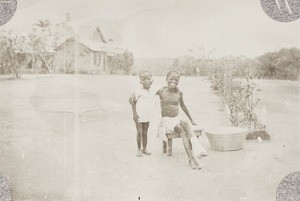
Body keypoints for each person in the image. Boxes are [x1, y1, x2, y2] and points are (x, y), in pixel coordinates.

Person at [157, 71, 208, 170]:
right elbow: (148, 95)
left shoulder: (179, 93)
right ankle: (194, 153)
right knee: (182, 128)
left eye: (176, 80)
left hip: (176, 118)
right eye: (171, 79)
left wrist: (192, 120)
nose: (174, 81)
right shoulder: (161, 91)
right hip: (166, 120)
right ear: (166, 79)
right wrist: (135, 97)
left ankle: (193, 156)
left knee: (184, 123)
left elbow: (183, 107)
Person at [129, 71, 155, 157]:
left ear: (152, 80)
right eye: (144, 79)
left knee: (145, 133)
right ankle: (139, 149)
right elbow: (132, 102)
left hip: (147, 115)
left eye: (148, 79)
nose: (147, 81)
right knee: (139, 132)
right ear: (140, 81)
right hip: (139, 116)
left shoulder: (152, 91)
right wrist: (134, 114)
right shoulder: (138, 91)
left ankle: (144, 148)